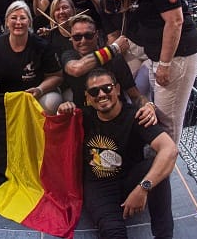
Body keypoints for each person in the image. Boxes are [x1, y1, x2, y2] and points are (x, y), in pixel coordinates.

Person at [57, 68, 177, 239]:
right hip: (99, 187)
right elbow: (55, 132)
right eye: (94, 91)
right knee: (113, 234)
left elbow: (170, 150)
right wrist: (62, 111)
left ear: (118, 89)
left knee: (158, 168)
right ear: (88, 97)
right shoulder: (82, 117)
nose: (101, 94)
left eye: (107, 88)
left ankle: (164, 236)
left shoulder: (137, 116)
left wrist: (143, 188)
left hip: (130, 179)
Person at [121, 0, 197, 143]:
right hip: (162, 57)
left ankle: (167, 168)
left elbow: (175, 21)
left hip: (177, 57)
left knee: (168, 121)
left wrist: (164, 64)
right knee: (161, 114)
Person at [0, 1, 63, 114]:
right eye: (13, 18)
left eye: (23, 18)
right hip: (9, 98)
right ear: (7, 22)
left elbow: (57, 76)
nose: (18, 22)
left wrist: (40, 89)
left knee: (52, 102)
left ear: (29, 22)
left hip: (35, 97)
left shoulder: (41, 46)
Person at [61, 15, 154, 111]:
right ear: (71, 38)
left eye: (88, 35)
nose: (83, 41)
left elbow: (135, 96)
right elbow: (76, 69)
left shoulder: (115, 59)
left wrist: (148, 107)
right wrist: (115, 48)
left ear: (96, 35)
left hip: (116, 115)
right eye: (77, 37)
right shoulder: (68, 56)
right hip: (86, 117)